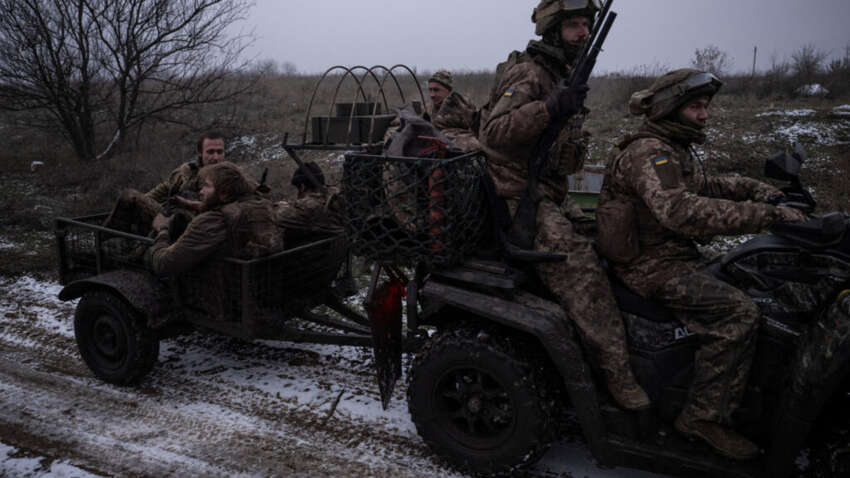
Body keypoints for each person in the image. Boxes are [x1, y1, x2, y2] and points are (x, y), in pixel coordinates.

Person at [596, 69, 806, 460]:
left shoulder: (672, 148)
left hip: (673, 253)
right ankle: (702, 418)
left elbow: (705, 185)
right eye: (696, 107)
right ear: (672, 109)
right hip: (650, 265)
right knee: (738, 315)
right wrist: (765, 216)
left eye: (706, 107)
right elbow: (678, 210)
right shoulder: (650, 152)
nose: (704, 115)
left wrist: (762, 192)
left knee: (760, 284)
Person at [479, 0, 650, 411]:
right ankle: (617, 375)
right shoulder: (530, 73)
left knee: (610, 241)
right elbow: (493, 132)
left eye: (585, 25)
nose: (582, 33)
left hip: (549, 191)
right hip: (515, 192)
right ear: (554, 31)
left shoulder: (564, 74)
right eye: (573, 25)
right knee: (581, 270)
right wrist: (548, 107)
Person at [149, 161, 283, 276]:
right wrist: (188, 203)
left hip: (214, 295)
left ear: (224, 193)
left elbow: (165, 265)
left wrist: (163, 230)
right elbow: (225, 207)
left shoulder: (211, 222)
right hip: (255, 287)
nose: (201, 191)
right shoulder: (262, 205)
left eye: (207, 186)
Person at [274, 161, 343, 239]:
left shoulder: (310, 206)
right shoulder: (335, 194)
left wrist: (282, 207)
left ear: (302, 187)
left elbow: (278, 217)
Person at [425, 70, 480, 152]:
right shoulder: (428, 107)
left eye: (436, 90)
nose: (432, 95)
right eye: (430, 90)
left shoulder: (462, 105)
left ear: (448, 90)